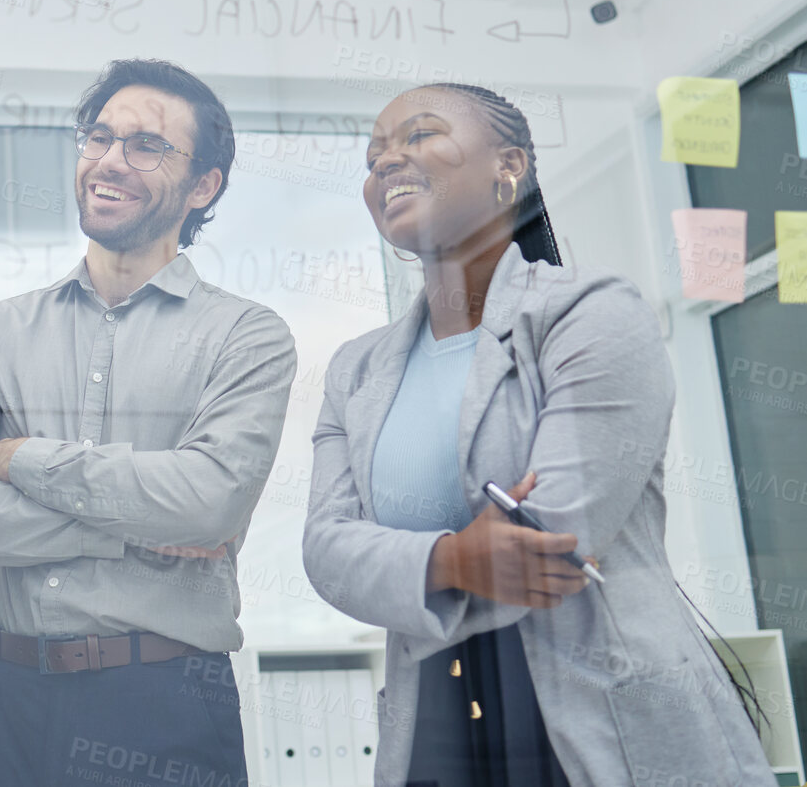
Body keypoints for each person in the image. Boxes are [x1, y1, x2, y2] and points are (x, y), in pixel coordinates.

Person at [303, 83, 772, 785]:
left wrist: (405, 569)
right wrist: (456, 559)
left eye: (418, 136)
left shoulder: (589, 312)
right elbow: (325, 551)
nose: (386, 162)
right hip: (433, 723)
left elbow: (552, 536)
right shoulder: (355, 370)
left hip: (599, 718)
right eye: (373, 156)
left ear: (508, 166)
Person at [0, 59, 297, 787]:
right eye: (98, 137)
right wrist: (137, 525)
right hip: (5, 699)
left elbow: (208, 502)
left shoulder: (246, 336)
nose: (110, 160)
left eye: (146, 145)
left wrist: (18, 458)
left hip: (163, 703)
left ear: (202, 185)